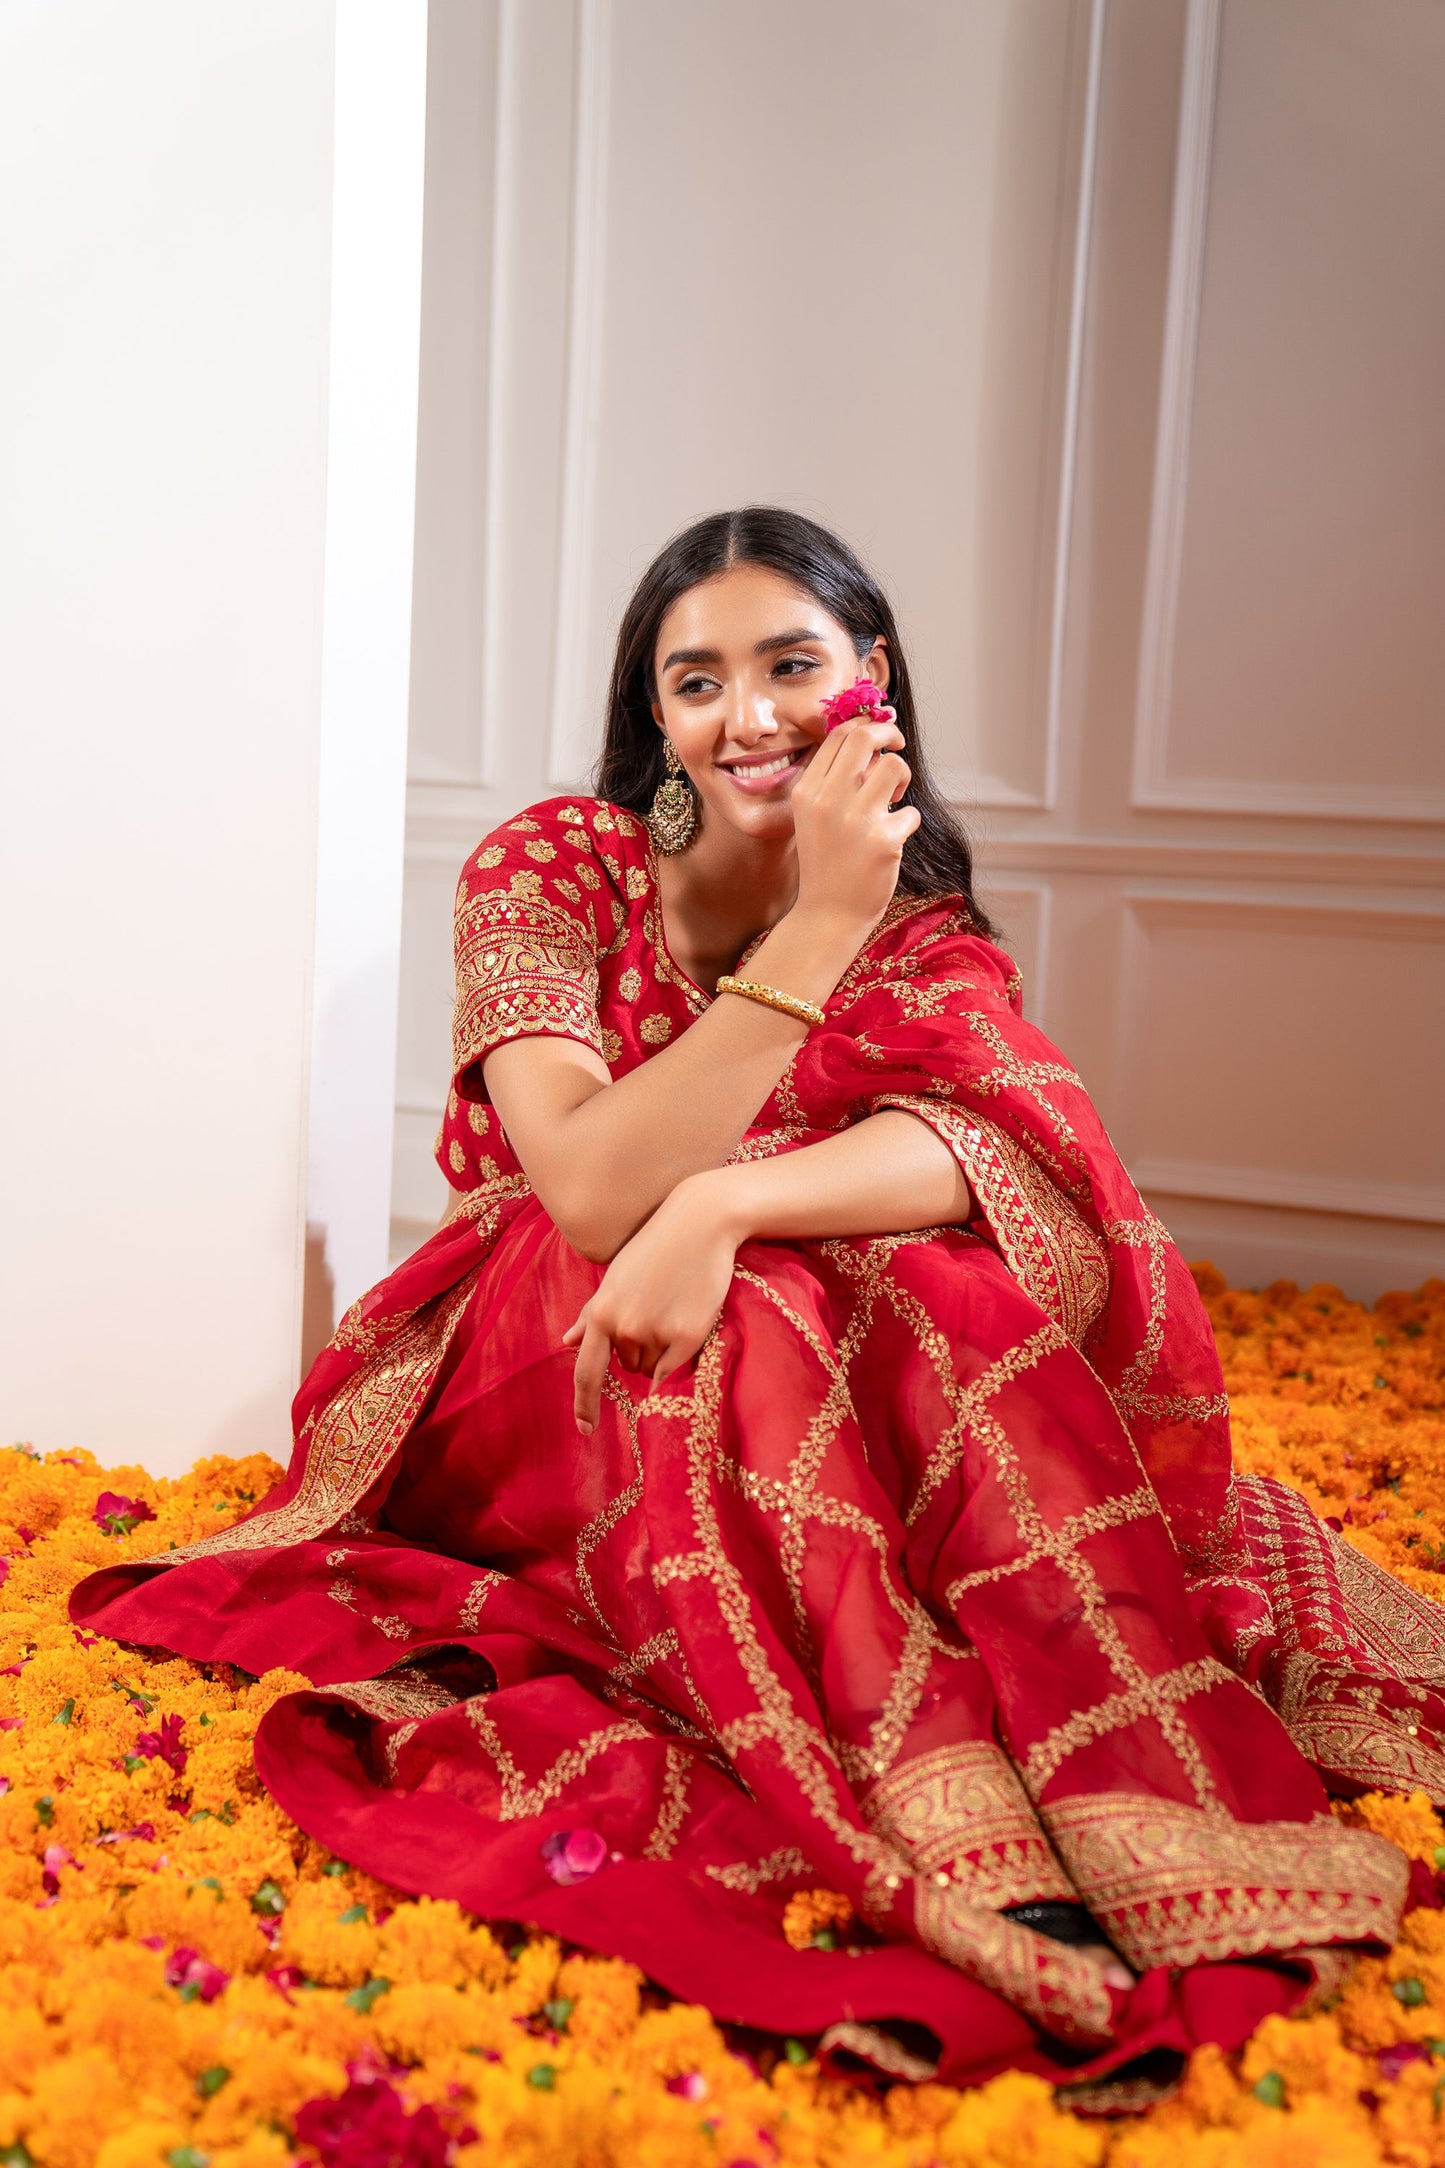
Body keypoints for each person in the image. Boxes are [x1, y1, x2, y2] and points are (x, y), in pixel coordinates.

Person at [74, 507, 1445, 2095]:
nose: (749, 716)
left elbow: (996, 1145)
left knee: (914, 1291)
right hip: (527, 1348)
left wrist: (726, 1203)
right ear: (653, 715)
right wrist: (811, 938)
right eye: (697, 681)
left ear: (870, 680)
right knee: (785, 1305)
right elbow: (590, 1190)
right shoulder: (555, 863)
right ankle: (945, 1824)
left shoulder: (909, 913)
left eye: (791, 665)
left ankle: (1078, 1804)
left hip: (761, 1319)